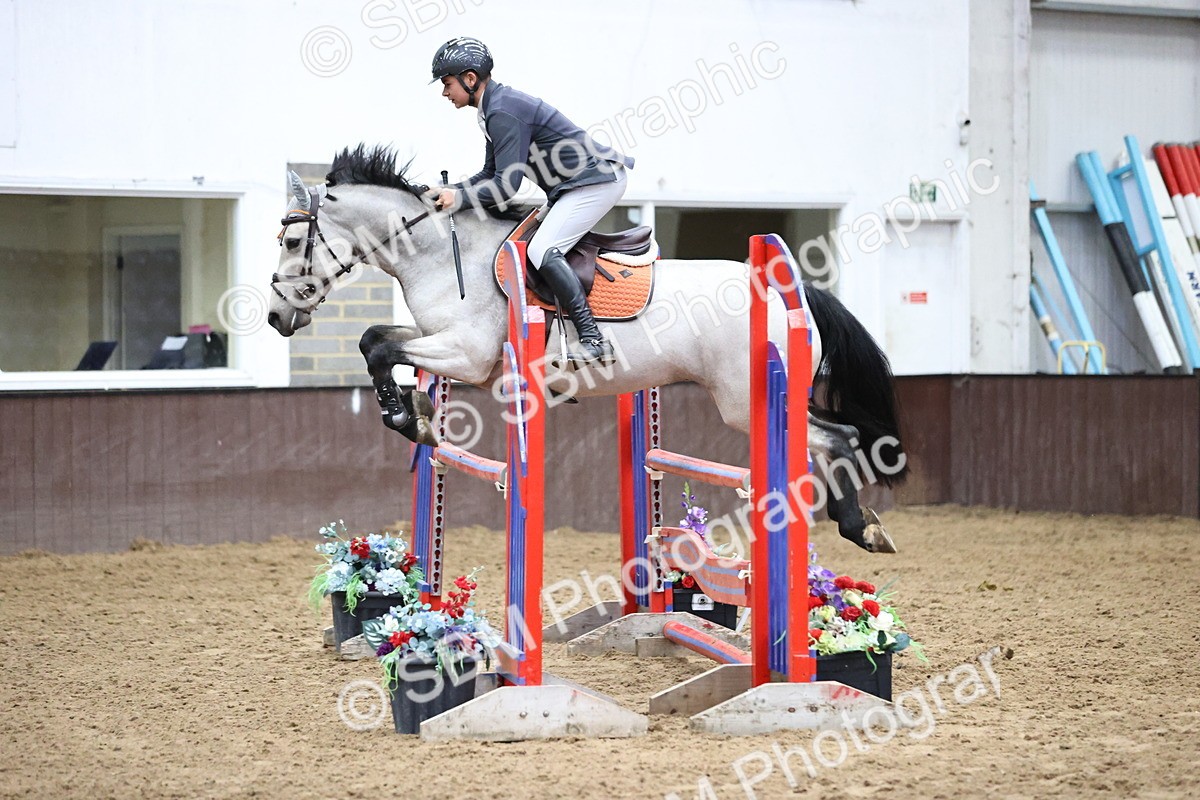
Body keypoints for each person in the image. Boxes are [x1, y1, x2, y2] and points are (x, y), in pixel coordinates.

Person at [426, 36, 634, 366]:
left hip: (597, 181)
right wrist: (448, 191)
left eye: (447, 83)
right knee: (526, 241)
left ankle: (594, 340)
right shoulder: (493, 108)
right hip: (575, 185)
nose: (444, 92)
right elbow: (490, 173)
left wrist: (460, 198)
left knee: (541, 249)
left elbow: (506, 187)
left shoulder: (502, 111)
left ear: (470, 78)